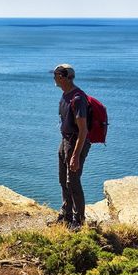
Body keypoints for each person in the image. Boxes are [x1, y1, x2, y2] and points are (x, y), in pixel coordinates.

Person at [52, 63, 90, 229]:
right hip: (65, 140)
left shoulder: (78, 98)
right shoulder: (65, 95)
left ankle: (78, 220)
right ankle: (66, 214)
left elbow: (83, 130)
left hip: (76, 142)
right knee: (63, 179)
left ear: (62, 77)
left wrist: (75, 155)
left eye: (55, 75)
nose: (53, 78)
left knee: (73, 180)